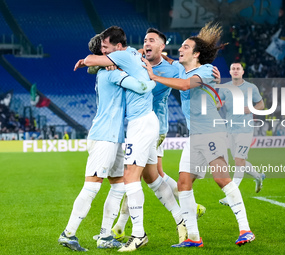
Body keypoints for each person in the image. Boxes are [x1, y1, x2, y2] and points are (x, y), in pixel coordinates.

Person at [142, 22, 255, 247]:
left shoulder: (204, 71)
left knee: (221, 178)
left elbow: (185, 85)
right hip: (195, 136)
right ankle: (194, 238)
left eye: (185, 46)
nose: (180, 49)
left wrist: (153, 76)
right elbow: (175, 65)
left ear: (196, 54)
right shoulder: (187, 69)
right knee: (184, 183)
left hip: (212, 133)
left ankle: (245, 229)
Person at [74, 26, 186, 252]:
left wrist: (90, 62)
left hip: (142, 123)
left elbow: (90, 59)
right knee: (153, 178)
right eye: (145, 39)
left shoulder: (122, 57)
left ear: (117, 47)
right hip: (146, 122)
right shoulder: (133, 54)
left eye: (107, 48)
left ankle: (138, 234)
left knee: (130, 178)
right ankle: (182, 221)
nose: (105, 54)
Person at [58, 34, 156, 251]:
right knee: (91, 187)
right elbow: (141, 87)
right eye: (105, 50)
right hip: (104, 137)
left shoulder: (109, 71)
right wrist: (151, 79)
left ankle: (105, 236)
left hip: (114, 137)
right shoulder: (111, 75)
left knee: (118, 186)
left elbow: (129, 54)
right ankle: (68, 233)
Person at [111, 28, 209, 241]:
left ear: (162, 46)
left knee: (137, 174)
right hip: (140, 124)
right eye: (145, 40)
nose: (146, 44)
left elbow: (190, 76)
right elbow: (133, 53)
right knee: (151, 175)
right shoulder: (139, 59)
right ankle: (186, 213)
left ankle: (124, 226)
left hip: (154, 126)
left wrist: (208, 71)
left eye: (152, 40)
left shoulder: (173, 68)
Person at [217, 63, 266, 197]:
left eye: (238, 68)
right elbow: (217, 105)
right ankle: (258, 176)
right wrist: (216, 105)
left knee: (239, 160)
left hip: (245, 129)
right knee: (240, 161)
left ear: (242, 72)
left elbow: (261, 104)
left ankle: (231, 195)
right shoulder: (225, 88)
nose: (236, 71)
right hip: (231, 130)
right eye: (233, 69)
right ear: (230, 72)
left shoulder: (251, 87)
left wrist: (251, 109)